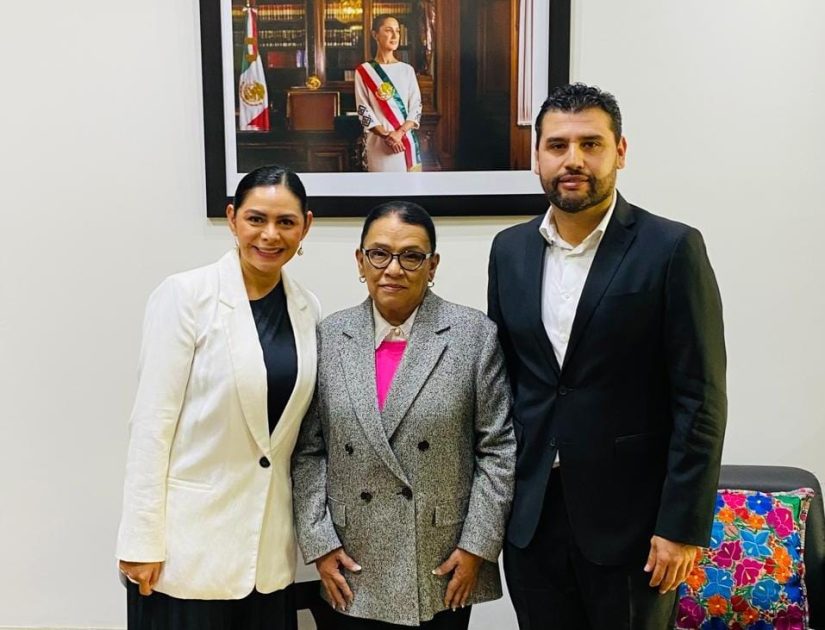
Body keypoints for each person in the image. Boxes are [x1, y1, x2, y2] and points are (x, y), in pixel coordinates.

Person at [487, 83, 727, 629]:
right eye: (557, 145)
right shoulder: (509, 250)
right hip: (532, 520)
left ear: (620, 151)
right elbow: (508, 383)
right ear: (537, 157)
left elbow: (701, 399)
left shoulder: (671, 248)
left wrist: (681, 526)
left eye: (590, 144)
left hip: (635, 528)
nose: (572, 159)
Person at [292, 201, 515, 629]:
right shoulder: (330, 337)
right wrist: (319, 542)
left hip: (442, 557)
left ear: (432, 266)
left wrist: (477, 546)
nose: (393, 268)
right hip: (351, 558)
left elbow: (498, 449)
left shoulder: (473, 335)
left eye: (411, 256)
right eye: (379, 254)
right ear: (360, 261)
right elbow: (309, 452)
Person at [115, 164, 319, 629]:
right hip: (186, 554)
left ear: (306, 226)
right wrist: (140, 541)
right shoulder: (185, 296)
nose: (270, 235)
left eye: (286, 222)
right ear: (232, 218)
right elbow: (151, 424)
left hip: (267, 557)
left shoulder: (308, 309)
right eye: (256, 219)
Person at [355, 15, 423, 172]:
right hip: (379, 144)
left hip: (405, 141)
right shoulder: (364, 71)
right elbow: (364, 110)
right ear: (375, 35)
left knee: (409, 186)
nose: (394, 35)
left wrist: (399, 133)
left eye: (397, 31)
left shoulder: (407, 70)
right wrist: (386, 135)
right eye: (388, 30)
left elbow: (416, 107)